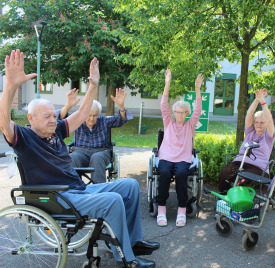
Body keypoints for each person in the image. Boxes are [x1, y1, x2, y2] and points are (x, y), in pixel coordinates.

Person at [0, 49, 158, 268]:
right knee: (112, 200)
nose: (52, 120)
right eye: (46, 117)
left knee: (130, 186)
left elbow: (83, 113)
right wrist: (10, 86)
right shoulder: (24, 138)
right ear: (30, 118)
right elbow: (4, 124)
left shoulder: (55, 131)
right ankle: (126, 258)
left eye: (53, 116)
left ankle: (133, 242)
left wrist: (93, 84)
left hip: (77, 189)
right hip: (59, 197)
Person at [156, 69, 204, 227]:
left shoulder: (190, 125)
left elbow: (198, 110)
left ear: (187, 114)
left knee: (182, 174)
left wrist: (197, 89)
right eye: (177, 112)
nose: (180, 115)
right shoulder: (168, 122)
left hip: (183, 158)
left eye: (183, 112)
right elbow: (163, 105)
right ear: (174, 112)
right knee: (163, 173)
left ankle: (182, 210)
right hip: (166, 156)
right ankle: (161, 209)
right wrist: (167, 84)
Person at [58, 88, 132, 183]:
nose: (92, 119)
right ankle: (74, 188)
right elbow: (61, 122)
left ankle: (99, 190)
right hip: (81, 152)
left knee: (97, 158)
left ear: (99, 114)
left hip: (101, 152)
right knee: (73, 157)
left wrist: (121, 107)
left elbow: (121, 120)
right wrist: (67, 106)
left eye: (95, 115)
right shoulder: (78, 121)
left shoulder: (104, 121)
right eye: (89, 115)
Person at [218, 88, 275, 193]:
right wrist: (257, 99)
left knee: (242, 179)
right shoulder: (250, 132)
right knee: (225, 173)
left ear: (266, 124)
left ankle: (239, 203)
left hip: (258, 168)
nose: (258, 124)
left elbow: (270, 119)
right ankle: (225, 198)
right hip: (240, 161)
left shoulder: (268, 136)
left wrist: (263, 102)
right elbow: (249, 114)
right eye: (257, 122)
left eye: (262, 122)